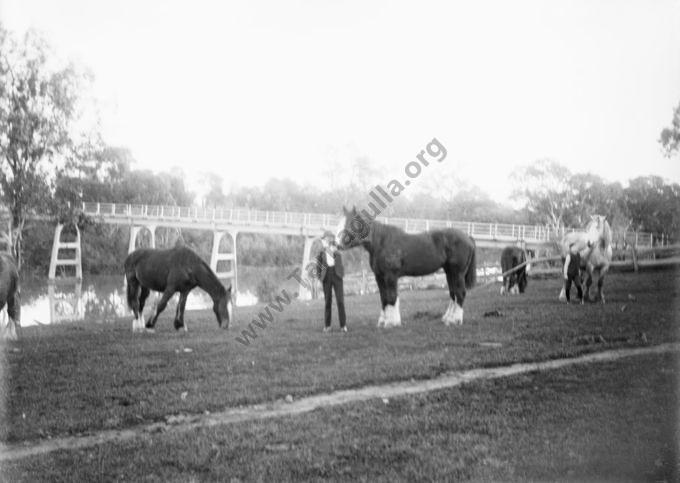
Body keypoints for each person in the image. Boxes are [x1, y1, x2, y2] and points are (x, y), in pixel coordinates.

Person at [315, 230, 347, 332]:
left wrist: (334, 248)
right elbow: (318, 267)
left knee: (340, 301)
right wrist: (320, 279)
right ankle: (327, 326)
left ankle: (343, 326)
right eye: (326, 238)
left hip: (337, 276)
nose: (328, 239)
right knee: (328, 301)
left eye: (329, 237)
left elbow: (343, 250)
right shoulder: (321, 251)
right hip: (326, 276)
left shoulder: (336, 248)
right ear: (324, 239)